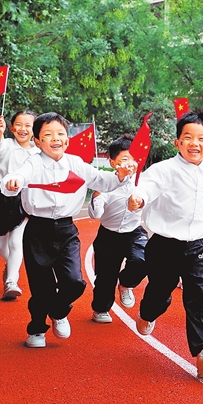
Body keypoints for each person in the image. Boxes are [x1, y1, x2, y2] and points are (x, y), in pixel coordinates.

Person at [2, 112, 134, 349]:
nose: (56, 139)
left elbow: (103, 181)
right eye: (48, 135)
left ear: (68, 138)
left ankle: (59, 311)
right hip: (37, 232)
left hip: (66, 231)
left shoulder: (75, 164)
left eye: (61, 134)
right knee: (41, 288)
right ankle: (36, 330)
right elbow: (18, 177)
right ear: (38, 140)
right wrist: (13, 181)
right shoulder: (32, 162)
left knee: (75, 282)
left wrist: (121, 176)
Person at [128, 111, 203, 379]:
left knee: (202, 293)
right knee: (160, 291)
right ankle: (148, 312)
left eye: (201, 139)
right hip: (163, 245)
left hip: (197, 245)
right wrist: (138, 198)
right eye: (188, 138)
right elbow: (146, 187)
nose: (194, 144)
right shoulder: (163, 169)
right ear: (178, 142)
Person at [88, 134, 148, 324]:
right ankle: (100, 308)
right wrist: (97, 193)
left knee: (143, 260)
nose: (130, 164)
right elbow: (95, 214)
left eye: (134, 159)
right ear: (113, 162)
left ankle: (126, 284)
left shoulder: (143, 182)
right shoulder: (106, 183)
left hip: (134, 232)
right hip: (108, 236)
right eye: (124, 159)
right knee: (105, 277)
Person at [0, 111, 38, 300]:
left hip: (23, 198)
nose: (23, 129)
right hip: (0, 197)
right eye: (19, 124)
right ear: (11, 127)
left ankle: (11, 282)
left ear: (35, 129)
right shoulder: (7, 144)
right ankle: (11, 265)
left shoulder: (38, 152)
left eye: (28, 125)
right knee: (0, 243)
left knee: (16, 242)